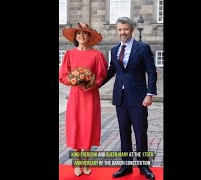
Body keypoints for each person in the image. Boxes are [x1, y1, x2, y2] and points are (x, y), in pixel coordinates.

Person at [100, 17, 157, 180]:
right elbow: (111, 71)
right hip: (120, 97)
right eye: (119, 29)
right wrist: (94, 85)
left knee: (140, 132)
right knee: (123, 132)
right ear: (117, 31)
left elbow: (151, 72)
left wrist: (149, 94)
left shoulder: (143, 48)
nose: (122, 32)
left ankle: (143, 166)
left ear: (131, 30)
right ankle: (126, 165)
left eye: (125, 29)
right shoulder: (114, 50)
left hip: (139, 98)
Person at [59, 22, 108, 176]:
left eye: (85, 33)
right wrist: (74, 81)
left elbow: (101, 75)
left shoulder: (97, 55)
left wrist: (93, 83)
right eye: (78, 33)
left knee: (88, 128)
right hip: (76, 95)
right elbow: (62, 76)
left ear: (89, 36)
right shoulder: (69, 54)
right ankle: (77, 163)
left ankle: (86, 163)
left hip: (91, 95)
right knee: (76, 127)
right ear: (75, 37)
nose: (81, 35)